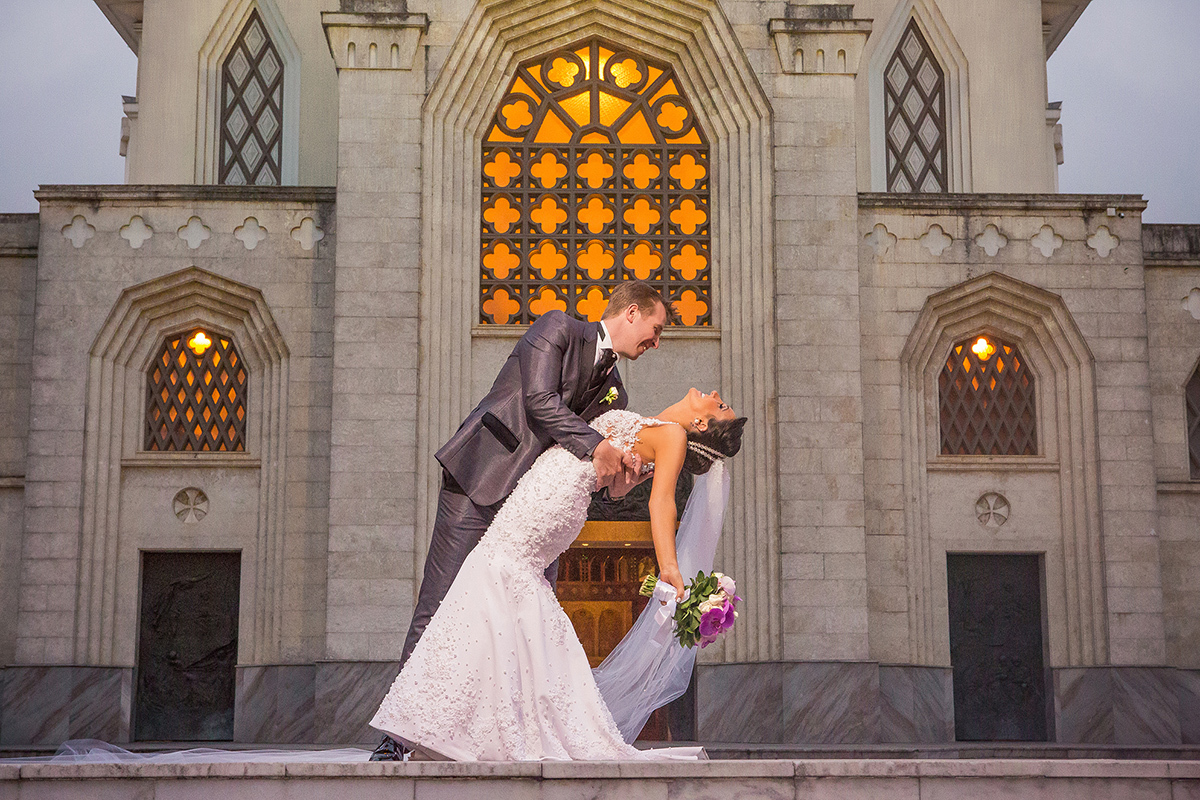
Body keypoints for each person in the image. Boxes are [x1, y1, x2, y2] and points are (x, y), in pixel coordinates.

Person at [370, 282, 670, 760]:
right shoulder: (558, 328)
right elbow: (539, 400)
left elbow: (592, 468)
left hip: (534, 510)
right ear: (631, 312)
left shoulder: (617, 391)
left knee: (526, 623)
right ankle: (398, 738)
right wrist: (597, 446)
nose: (657, 341)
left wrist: (621, 482)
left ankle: (507, 736)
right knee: (440, 604)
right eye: (656, 328)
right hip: (481, 479)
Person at [369, 390, 746, 761]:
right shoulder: (658, 429)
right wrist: (621, 482)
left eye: (720, 404)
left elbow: (661, 502)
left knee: (499, 571)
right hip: (553, 487)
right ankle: (476, 723)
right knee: (509, 583)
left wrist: (669, 568)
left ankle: (454, 724)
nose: (714, 393)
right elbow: (615, 484)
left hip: (555, 494)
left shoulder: (674, 435)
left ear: (700, 424)